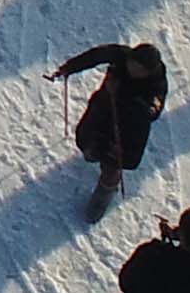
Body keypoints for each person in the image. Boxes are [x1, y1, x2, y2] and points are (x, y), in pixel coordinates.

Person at [54, 38, 168, 214]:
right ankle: (92, 154)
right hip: (102, 113)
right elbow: (97, 55)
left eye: (139, 70)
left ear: (148, 72)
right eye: (132, 65)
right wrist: (70, 67)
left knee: (111, 166)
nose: (132, 70)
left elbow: (152, 112)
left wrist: (122, 95)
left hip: (126, 129)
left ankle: (100, 201)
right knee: (89, 144)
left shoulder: (157, 84)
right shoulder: (122, 55)